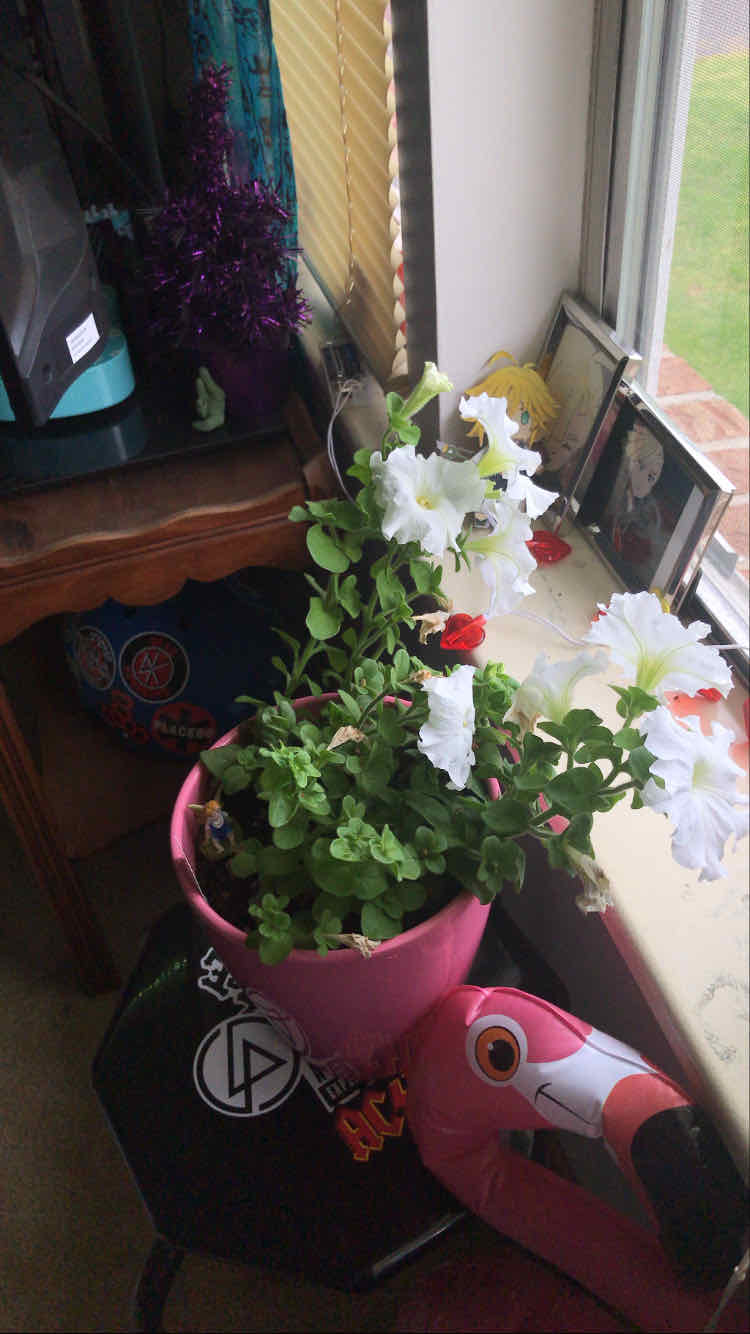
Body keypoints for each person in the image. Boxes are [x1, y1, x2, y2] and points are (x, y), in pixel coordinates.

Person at [600, 423, 665, 584]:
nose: (644, 481)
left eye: (652, 476)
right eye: (640, 465)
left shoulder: (649, 513)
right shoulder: (611, 487)